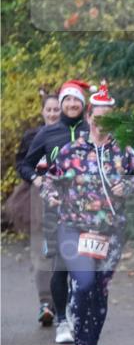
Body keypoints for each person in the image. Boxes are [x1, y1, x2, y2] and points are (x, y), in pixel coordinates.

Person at [39, 81, 134, 345]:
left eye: (109, 117)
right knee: (83, 282)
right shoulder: (71, 150)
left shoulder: (124, 151)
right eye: (98, 116)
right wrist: (50, 195)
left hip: (110, 232)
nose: (102, 122)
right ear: (89, 117)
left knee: (99, 288)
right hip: (73, 227)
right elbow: (49, 180)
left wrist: (128, 186)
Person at [20, 79, 93, 345]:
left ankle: (77, 313)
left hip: (88, 210)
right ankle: (62, 320)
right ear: (61, 104)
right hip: (57, 209)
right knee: (61, 266)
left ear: (83, 104)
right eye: (67, 100)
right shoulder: (48, 133)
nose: (72, 104)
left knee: (84, 267)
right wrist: (37, 179)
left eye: (76, 100)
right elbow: (25, 166)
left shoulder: (91, 129)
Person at [10, 89, 61, 327]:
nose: (52, 114)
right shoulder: (32, 136)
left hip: (66, 199)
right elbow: (21, 164)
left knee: (65, 253)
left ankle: (65, 303)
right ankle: (45, 303)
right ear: (42, 112)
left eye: (56, 110)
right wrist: (34, 177)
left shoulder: (71, 135)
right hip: (37, 198)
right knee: (41, 251)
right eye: (48, 110)